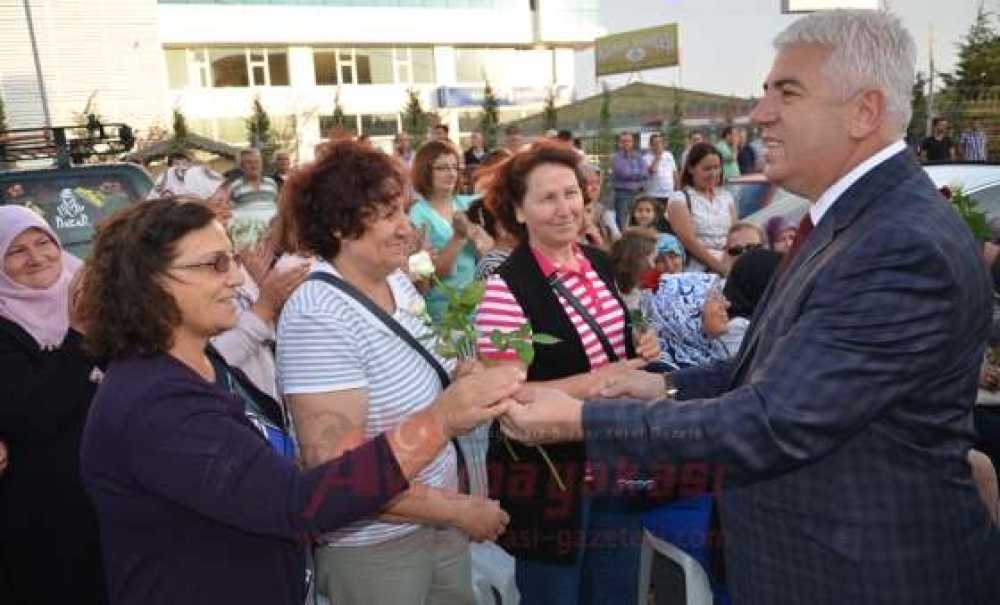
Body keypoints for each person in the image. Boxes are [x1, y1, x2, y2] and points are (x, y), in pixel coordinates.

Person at [500, 9, 1000, 604]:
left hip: (862, 579)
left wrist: (579, 420)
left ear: (864, 112)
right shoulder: (853, 223)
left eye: (787, 92)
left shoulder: (898, 244)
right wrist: (663, 386)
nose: (760, 112)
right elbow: (780, 372)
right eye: (765, 91)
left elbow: (775, 420)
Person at [78, 198, 521, 605]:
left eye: (232, 259)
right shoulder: (154, 404)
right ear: (148, 282)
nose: (237, 277)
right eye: (214, 264)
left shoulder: (201, 364)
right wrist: (439, 421)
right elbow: (297, 503)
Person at [275, 139, 510, 604]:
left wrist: (463, 375)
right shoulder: (318, 314)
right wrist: (458, 510)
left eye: (403, 209)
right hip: (376, 548)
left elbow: (425, 370)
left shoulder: (396, 282)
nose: (408, 229)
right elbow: (341, 473)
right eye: (389, 214)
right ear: (340, 225)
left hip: (437, 524)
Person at [474, 141, 660, 605]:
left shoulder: (597, 262)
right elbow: (506, 397)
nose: (565, 209)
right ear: (519, 211)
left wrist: (639, 346)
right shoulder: (505, 288)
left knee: (616, 589)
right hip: (549, 478)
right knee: (556, 593)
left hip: (613, 457)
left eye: (571, 193)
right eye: (547, 198)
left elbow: (609, 345)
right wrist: (602, 380)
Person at [0, 206, 106, 605]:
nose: (36, 257)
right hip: (46, 515)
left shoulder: (89, 297)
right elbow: (31, 414)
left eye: (43, 242)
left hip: (112, 494)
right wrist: (78, 336)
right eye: (16, 250)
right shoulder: (6, 326)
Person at [409, 141, 490, 320]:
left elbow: (492, 255)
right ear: (425, 171)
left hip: (478, 307)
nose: (451, 173)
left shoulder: (470, 204)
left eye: (455, 167)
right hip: (444, 314)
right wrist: (458, 238)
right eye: (442, 168)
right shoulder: (418, 215)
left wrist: (479, 239)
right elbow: (427, 276)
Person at [666, 142, 737, 274]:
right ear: (691, 168)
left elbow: (735, 235)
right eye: (707, 169)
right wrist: (720, 267)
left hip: (729, 265)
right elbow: (689, 241)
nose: (713, 173)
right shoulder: (679, 199)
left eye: (717, 168)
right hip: (697, 270)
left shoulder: (726, 197)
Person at [610, 227, 658, 312]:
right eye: (646, 258)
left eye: (654, 259)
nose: (652, 266)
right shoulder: (609, 287)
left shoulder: (637, 291)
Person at [610, 131, 646, 231]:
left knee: (638, 218)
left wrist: (633, 174)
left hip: (638, 192)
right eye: (624, 141)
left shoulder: (639, 156)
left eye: (629, 141)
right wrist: (637, 174)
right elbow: (622, 173)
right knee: (622, 220)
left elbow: (645, 173)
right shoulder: (616, 158)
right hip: (623, 193)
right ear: (619, 143)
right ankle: (624, 238)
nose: (626, 143)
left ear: (632, 142)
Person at [642, 133, 678, 213]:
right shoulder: (645, 158)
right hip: (654, 194)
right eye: (656, 143)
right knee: (656, 216)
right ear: (651, 145)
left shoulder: (669, 155)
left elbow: (674, 172)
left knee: (668, 216)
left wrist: (677, 189)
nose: (659, 145)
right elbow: (652, 171)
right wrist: (657, 157)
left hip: (669, 193)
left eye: (660, 142)